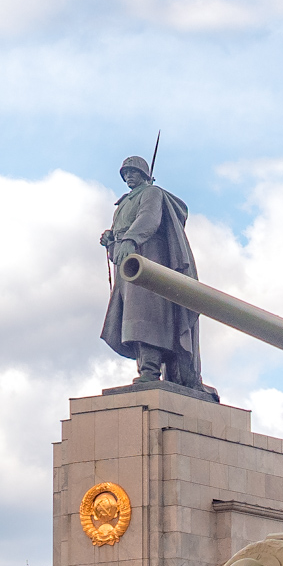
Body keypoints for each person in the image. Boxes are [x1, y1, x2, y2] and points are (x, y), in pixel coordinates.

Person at [98, 155, 218, 400]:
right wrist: (112, 240)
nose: (128, 176)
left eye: (133, 171)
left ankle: (151, 371)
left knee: (145, 315)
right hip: (129, 266)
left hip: (149, 261)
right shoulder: (122, 204)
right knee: (132, 317)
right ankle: (147, 370)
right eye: (125, 173)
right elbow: (122, 238)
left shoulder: (151, 193)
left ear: (144, 173)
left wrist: (130, 239)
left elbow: (148, 219)